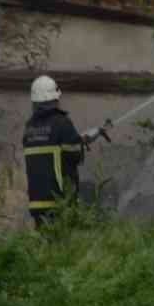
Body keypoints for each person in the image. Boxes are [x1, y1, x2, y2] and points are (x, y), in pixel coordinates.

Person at [22, 75, 105, 226]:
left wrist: (78, 140)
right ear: (55, 99)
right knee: (62, 245)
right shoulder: (61, 123)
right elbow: (74, 153)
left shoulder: (30, 128)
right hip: (60, 201)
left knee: (44, 244)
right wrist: (85, 140)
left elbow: (54, 147)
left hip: (37, 203)